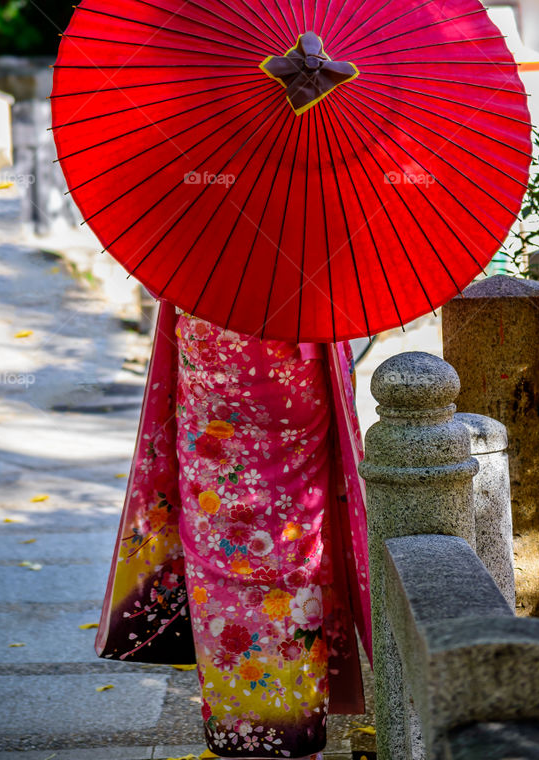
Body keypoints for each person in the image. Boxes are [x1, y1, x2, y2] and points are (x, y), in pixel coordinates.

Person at [95, 299, 371, 760]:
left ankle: (239, 730)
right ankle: (296, 731)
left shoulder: (195, 230)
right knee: (294, 544)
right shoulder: (311, 228)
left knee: (217, 552)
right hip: (291, 373)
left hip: (211, 362)